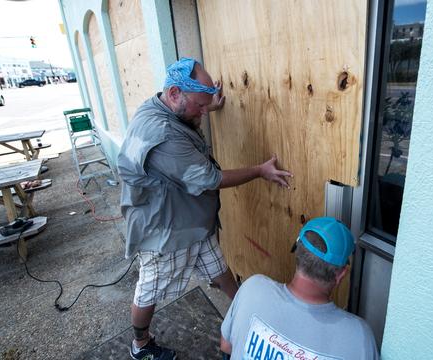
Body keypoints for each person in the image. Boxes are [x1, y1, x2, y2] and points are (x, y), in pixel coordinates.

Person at [117, 57, 293, 360]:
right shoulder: (163, 138)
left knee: (220, 270)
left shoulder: (159, 105)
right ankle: (140, 345)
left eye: (205, 103)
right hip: (166, 230)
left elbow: (188, 113)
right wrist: (260, 171)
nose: (204, 110)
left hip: (193, 221)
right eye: (200, 105)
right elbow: (211, 179)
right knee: (149, 289)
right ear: (175, 94)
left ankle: (244, 318)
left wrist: (206, 102)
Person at [220, 217, 379, 359]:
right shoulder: (358, 338)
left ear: (297, 252)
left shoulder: (252, 288)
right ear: (341, 274)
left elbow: (226, 346)